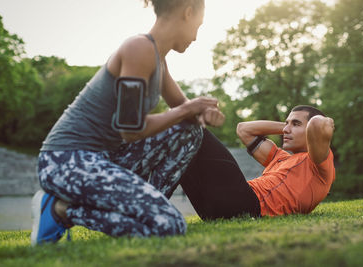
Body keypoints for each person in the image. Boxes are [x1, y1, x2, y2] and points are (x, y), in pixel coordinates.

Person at [31, 0, 225, 245]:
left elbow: (183, 111)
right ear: (187, 13)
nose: (196, 37)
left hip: (106, 157)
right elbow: (131, 129)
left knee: (191, 131)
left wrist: (203, 114)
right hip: (65, 160)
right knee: (170, 226)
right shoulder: (139, 49)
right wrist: (189, 109)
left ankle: (147, 207)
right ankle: (58, 210)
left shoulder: (159, 59)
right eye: (198, 26)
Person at [180, 105, 335, 219]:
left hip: (248, 205)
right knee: (180, 152)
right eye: (287, 123)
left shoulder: (319, 165)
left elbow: (317, 125)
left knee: (192, 128)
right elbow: (243, 129)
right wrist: (288, 127)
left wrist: (325, 123)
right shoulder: (279, 157)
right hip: (212, 208)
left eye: (296, 124)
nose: (286, 130)